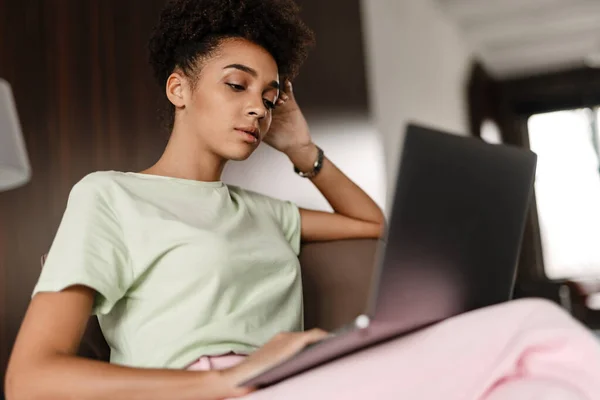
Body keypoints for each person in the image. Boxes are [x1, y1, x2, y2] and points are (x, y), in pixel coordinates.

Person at [5, 1, 600, 399]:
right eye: (236, 86)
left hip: (300, 373)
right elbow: (30, 377)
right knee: (532, 325)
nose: (257, 109)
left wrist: (302, 148)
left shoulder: (267, 213)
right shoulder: (111, 196)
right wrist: (228, 379)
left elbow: (373, 225)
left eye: (268, 97)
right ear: (178, 88)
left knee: (527, 380)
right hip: (215, 388)